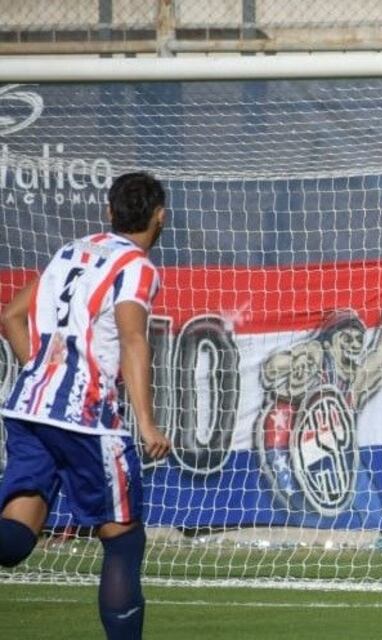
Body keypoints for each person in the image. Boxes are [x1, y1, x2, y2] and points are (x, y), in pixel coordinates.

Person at [0, 171, 171, 639]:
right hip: (86, 420)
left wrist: (44, 374)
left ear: (109, 213)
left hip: (29, 411)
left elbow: (10, 316)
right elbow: (134, 339)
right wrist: (148, 424)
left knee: (15, 538)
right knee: (123, 539)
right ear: (160, 217)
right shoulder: (137, 267)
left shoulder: (70, 251)